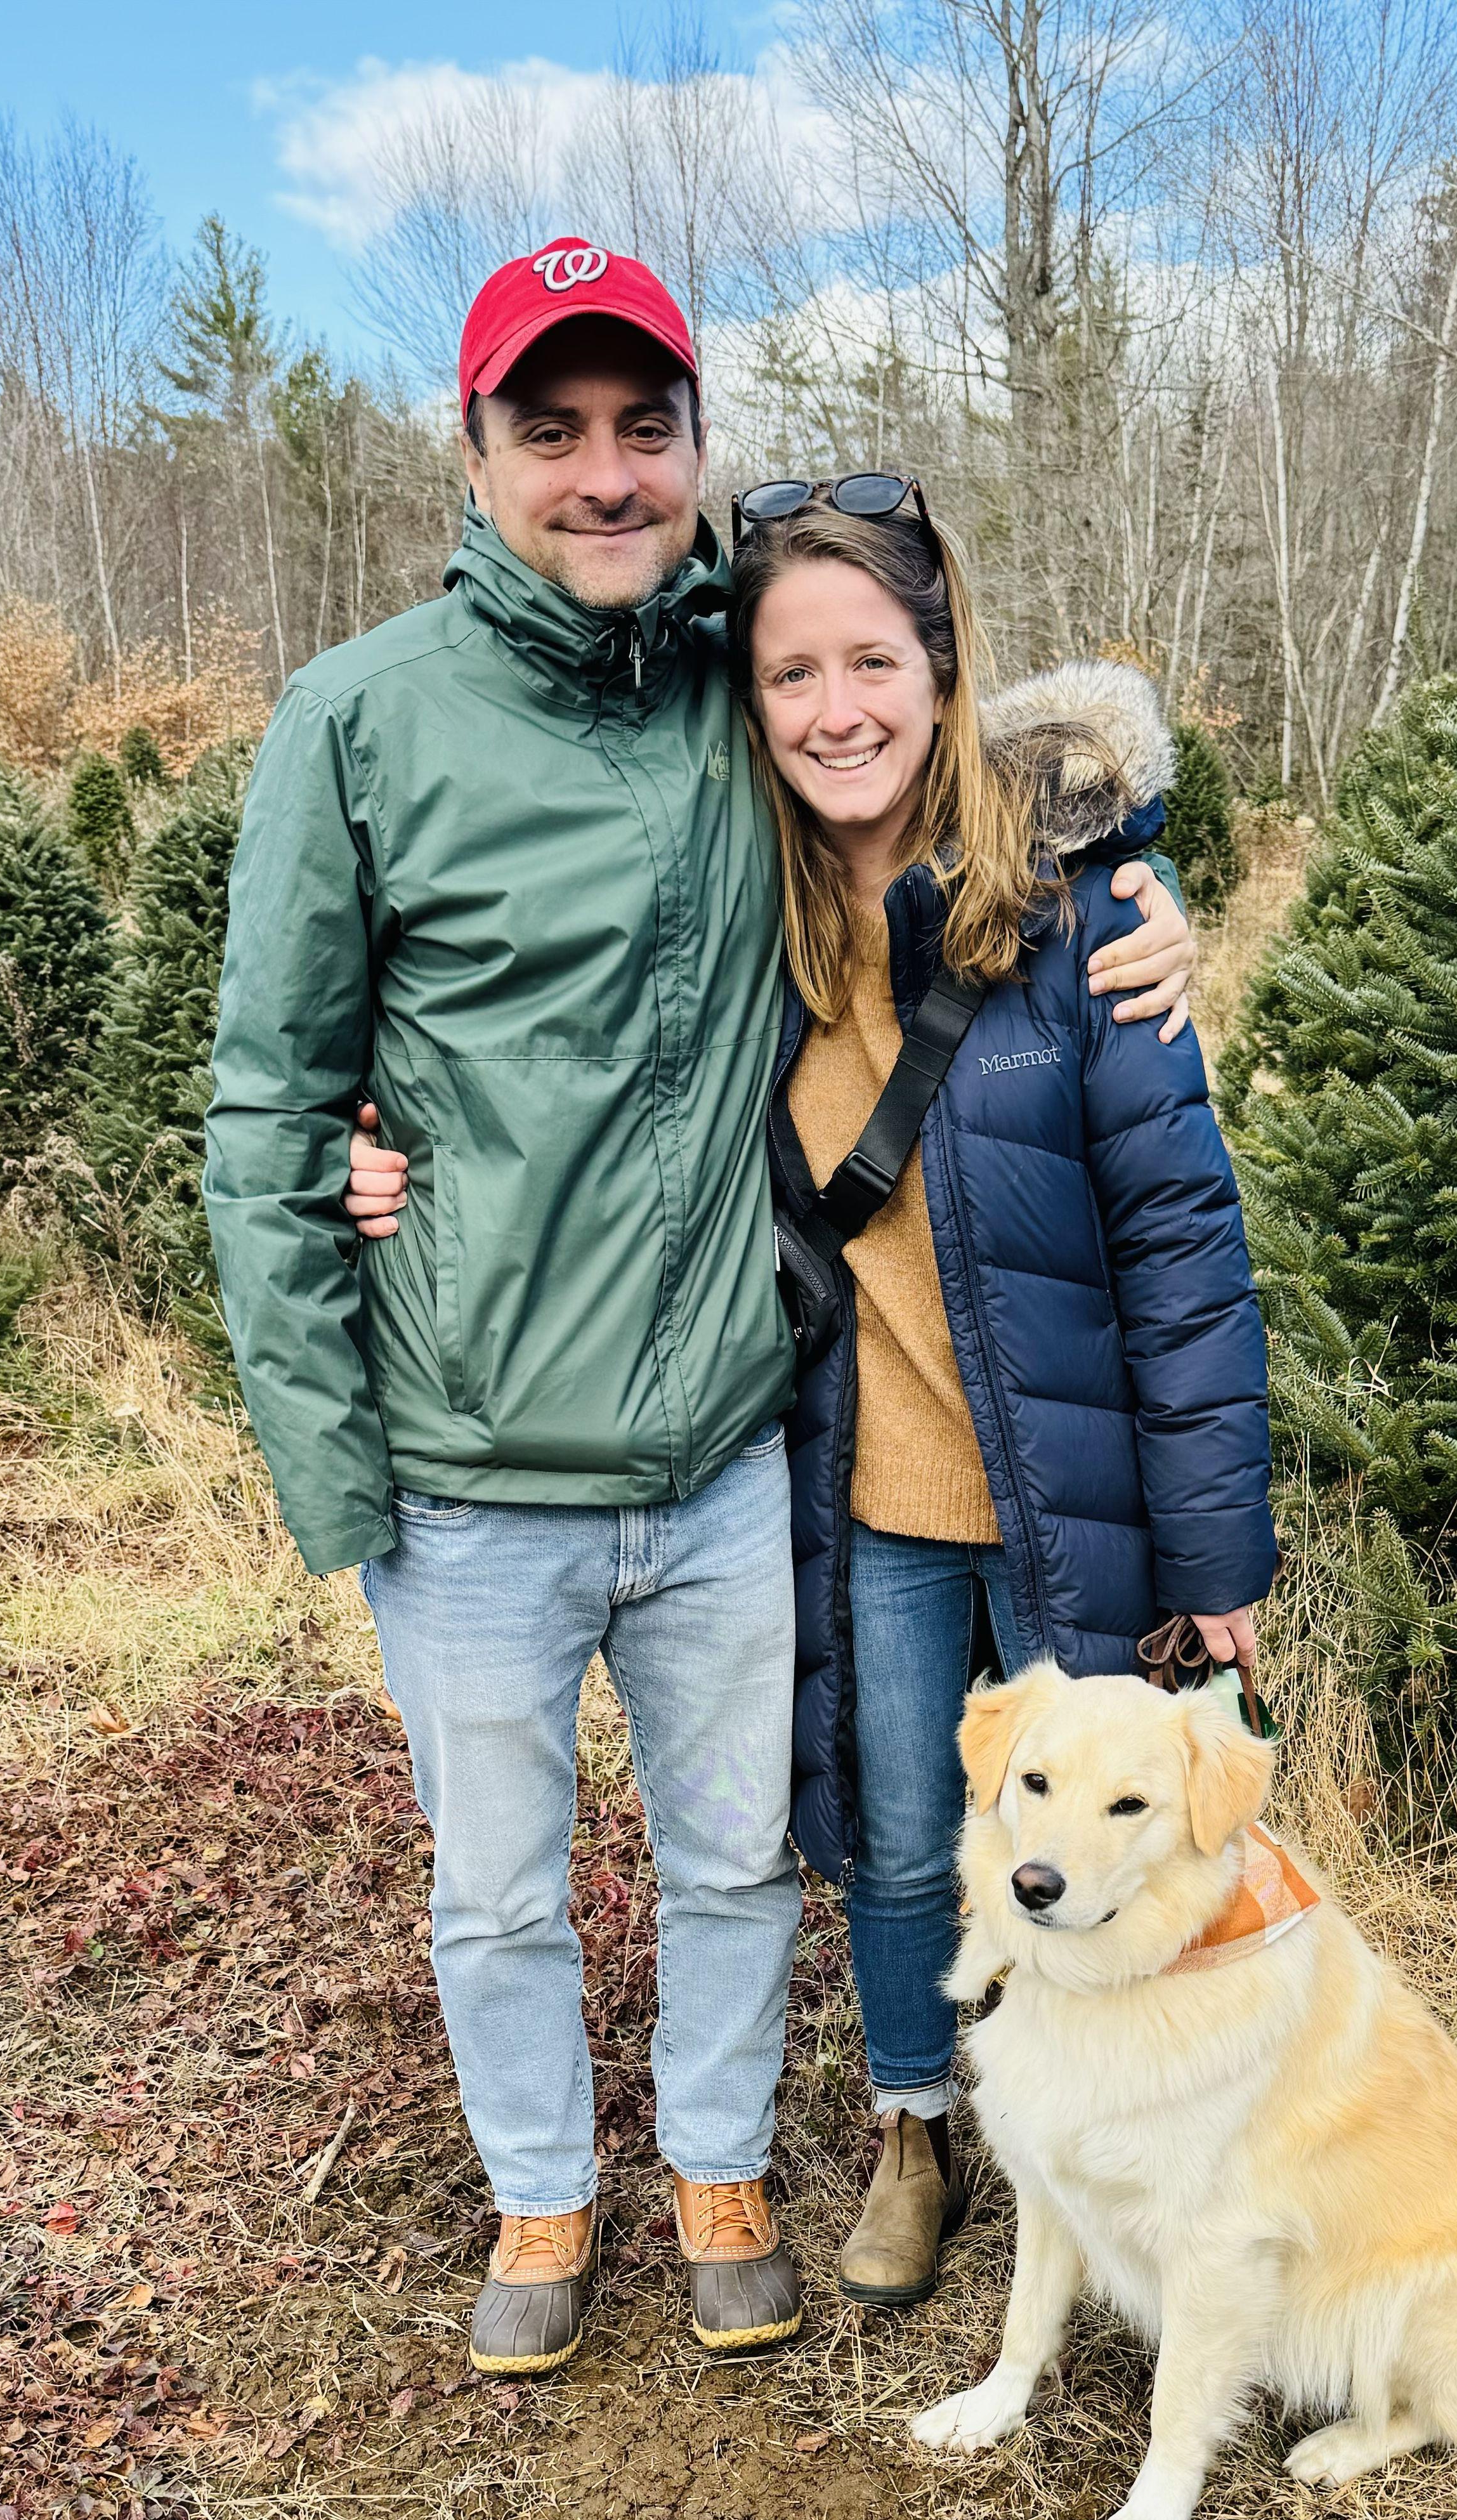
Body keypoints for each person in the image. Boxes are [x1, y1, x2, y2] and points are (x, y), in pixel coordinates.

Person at [204, 244, 1196, 2381]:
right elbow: (271, 1098)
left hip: (734, 1458)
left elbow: (951, 746)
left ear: (693, 449)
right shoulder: (355, 724)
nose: (602, 472)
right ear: (474, 456)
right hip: (467, 1473)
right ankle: (545, 2197)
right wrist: (329, 1459)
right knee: (496, 1888)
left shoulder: (724, 693)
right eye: (548, 432)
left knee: (741, 1860)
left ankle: (725, 2163)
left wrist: (1148, 881)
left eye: (642, 428)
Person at [348, 479, 1274, 2315]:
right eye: (792, 674)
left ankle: (1165, 2167)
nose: (837, 708)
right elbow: (530, 1051)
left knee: (1128, 1838)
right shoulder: (744, 926)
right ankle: (920, 2128)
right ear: (747, 701)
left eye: (875, 661)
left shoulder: (1082, 915)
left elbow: (1183, 1250)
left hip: (1073, 1494)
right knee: (899, 1841)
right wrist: (369, 1142)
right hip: (872, 1492)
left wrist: (1221, 1554)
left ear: (943, 671)